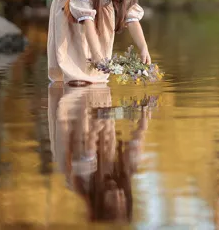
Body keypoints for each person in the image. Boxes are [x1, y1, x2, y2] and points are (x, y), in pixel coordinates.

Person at [48, 83, 152, 223]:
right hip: (97, 131)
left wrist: (107, 115)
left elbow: (89, 138)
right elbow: (138, 139)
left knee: (86, 106)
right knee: (104, 115)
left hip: (74, 135)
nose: (119, 195)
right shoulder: (125, 176)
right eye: (123, 199)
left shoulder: (84, 182)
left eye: (114, 201)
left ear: (101, 203)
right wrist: (144, 115)